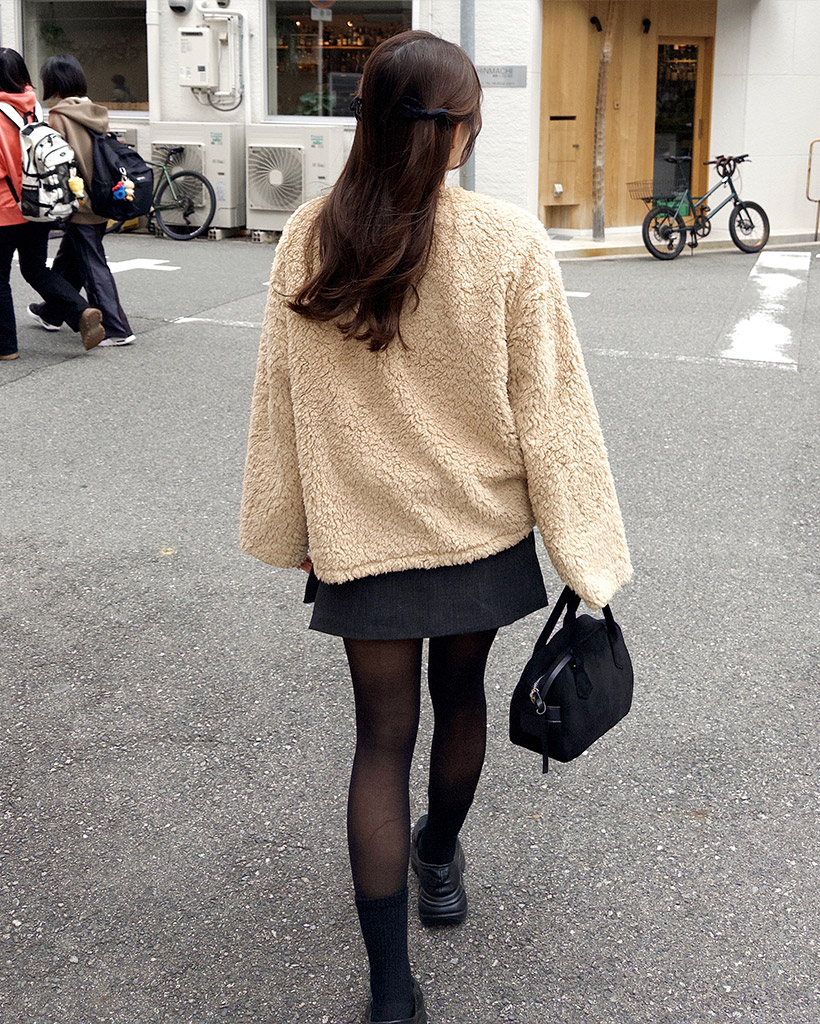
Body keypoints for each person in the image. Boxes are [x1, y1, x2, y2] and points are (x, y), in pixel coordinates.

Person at [240, 30, 632, 1024]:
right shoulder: (506, 242)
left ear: (368, 122)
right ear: (457, 132)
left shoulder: (309, 236)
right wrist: (585, 553)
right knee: (460, 704)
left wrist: (295, 521)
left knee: (380, 741)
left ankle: (389, 993)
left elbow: (281, 402)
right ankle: (440, 856)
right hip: (478, 531)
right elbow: (553, 413)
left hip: (360, 535)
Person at [0, 47, 104, 362]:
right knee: (35, 268)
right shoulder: (33, 107)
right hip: (38, 205)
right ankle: (81, 311)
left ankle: (6, 348)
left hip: (5, 210)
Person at [27, 54, 135, 348]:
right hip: (103, 195)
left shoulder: (59, 116)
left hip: (80, 202)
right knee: (70, 259)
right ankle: (51, 313)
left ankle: (116, 329)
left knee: (92, 264)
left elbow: (57, 164)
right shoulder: (94, 111)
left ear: (53, 82)